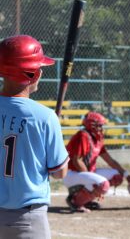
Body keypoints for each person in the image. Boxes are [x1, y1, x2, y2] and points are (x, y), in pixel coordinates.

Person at [0, 35, 69, 239]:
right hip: (28, 219)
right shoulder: (45, 117)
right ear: (33, 74)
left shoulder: (45, 117)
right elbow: (59, 172)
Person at [63, 111, 130, 212]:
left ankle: (86, 199)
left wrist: (128, 176)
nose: (101, 129)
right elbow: (77, 161)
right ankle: (76, 201)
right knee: (103, 184)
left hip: (84, 173)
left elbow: (110, 161)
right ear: (91, 125)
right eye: (99, 126)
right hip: (72, 173)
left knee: (117, 176)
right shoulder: (83, 135)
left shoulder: (98, 139)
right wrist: (90, 178)